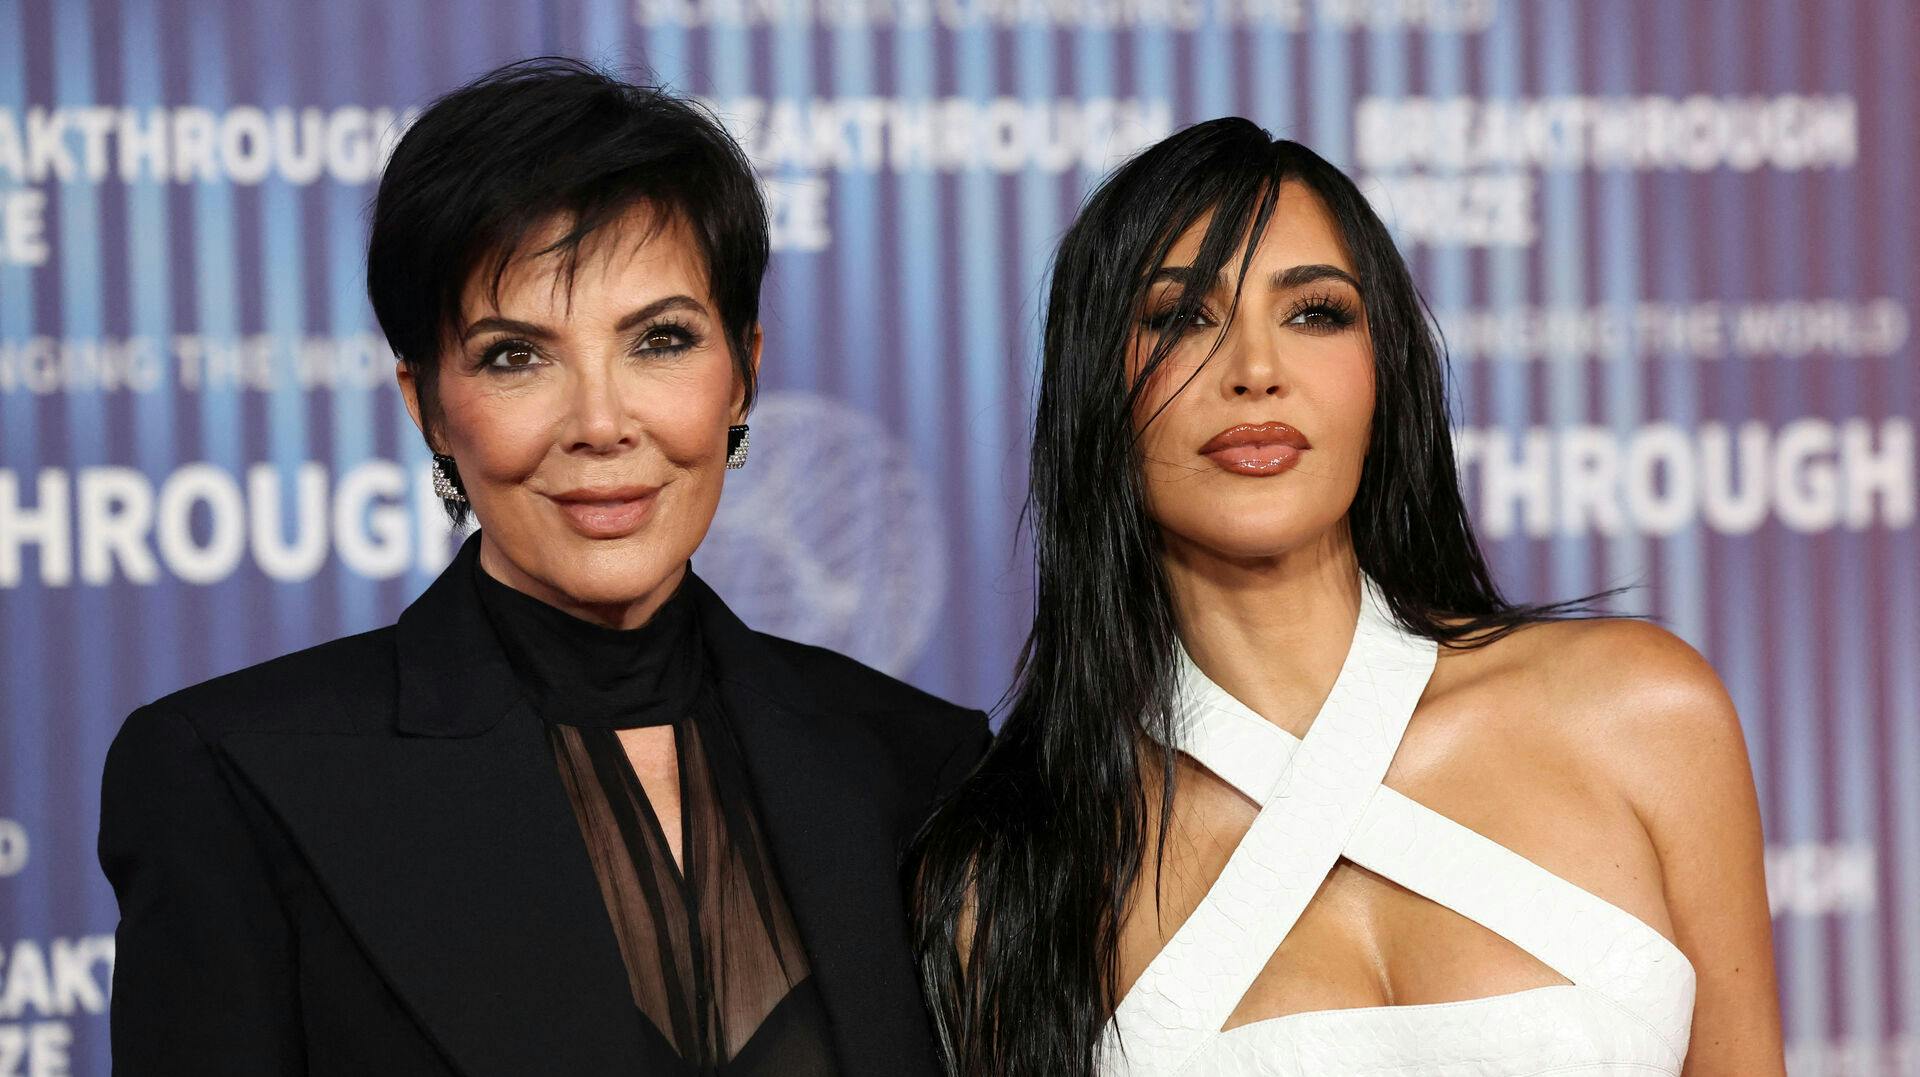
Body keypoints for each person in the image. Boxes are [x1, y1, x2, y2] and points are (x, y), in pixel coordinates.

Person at [99, 58, 988, 1077]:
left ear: (743, 371)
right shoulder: (234, 777)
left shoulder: (920, 770)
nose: (601, 424)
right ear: (426, 403)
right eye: (516, 356)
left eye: (660, 341)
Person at [908, 118, 1783, 1077]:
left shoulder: (1642, 713)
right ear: (1095, 389)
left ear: (1384, 370)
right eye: (1179, 318)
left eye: (1315, 312)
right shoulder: (1016, 875)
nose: (1254, 370)